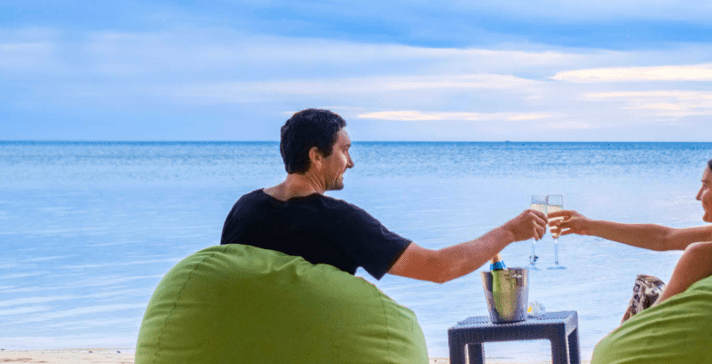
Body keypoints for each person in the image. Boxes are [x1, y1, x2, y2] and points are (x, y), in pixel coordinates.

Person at [221, 108, 546, 283]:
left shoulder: (245, 208)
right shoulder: (338, 219)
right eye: (344, 151)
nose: (350, 162)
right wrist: (508, 232)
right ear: (316, 157)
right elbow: (438, 268)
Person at [549, 151, 712, 321]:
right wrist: (590, 226)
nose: (698, 195)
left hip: (695, 349)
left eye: (706, 185)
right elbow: (663, 238)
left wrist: (618, 334)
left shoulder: (703, 253)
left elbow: (653, 323)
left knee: (645, 287)